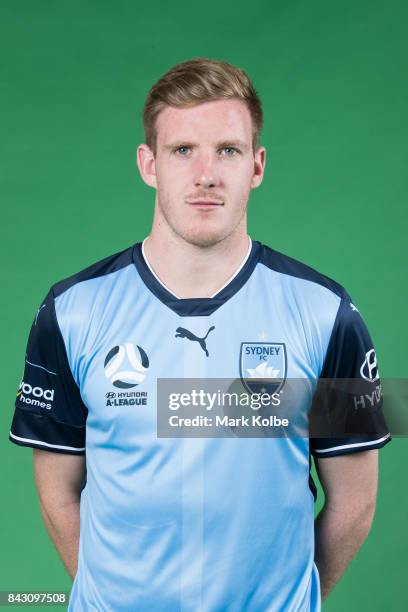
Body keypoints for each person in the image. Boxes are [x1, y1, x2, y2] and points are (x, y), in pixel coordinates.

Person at [9, 57, 391, 611]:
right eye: (183, 150)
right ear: (149, 164)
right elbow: (57, 490)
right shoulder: (72, 311)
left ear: (256, 166)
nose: (206, 174)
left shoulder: (327, 313)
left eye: (228, 151)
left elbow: (355, 502)